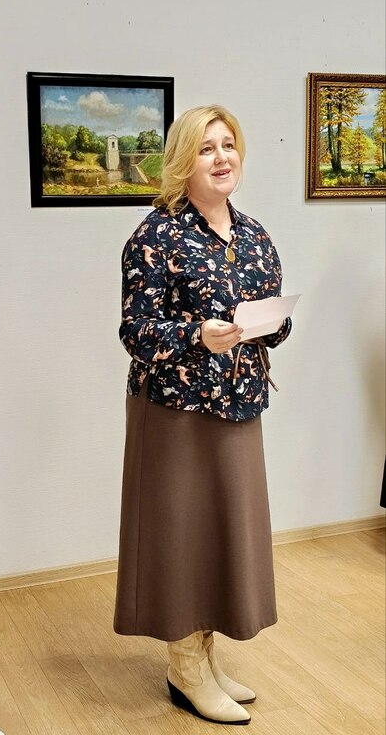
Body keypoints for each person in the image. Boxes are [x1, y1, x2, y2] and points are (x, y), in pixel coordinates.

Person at [113, 105, 292, 726]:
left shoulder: (255, 234)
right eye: (206, 148)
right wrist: (197, 335)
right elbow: (135, 331)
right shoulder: (155, 235)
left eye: (228, 145)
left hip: (240, 404)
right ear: (182, 163)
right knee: (181, 536)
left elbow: (272, 320)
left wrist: (271, 324)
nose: (222, 158)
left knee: (222, 532)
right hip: (176, 411)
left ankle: (205, 659)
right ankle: (185, 668)